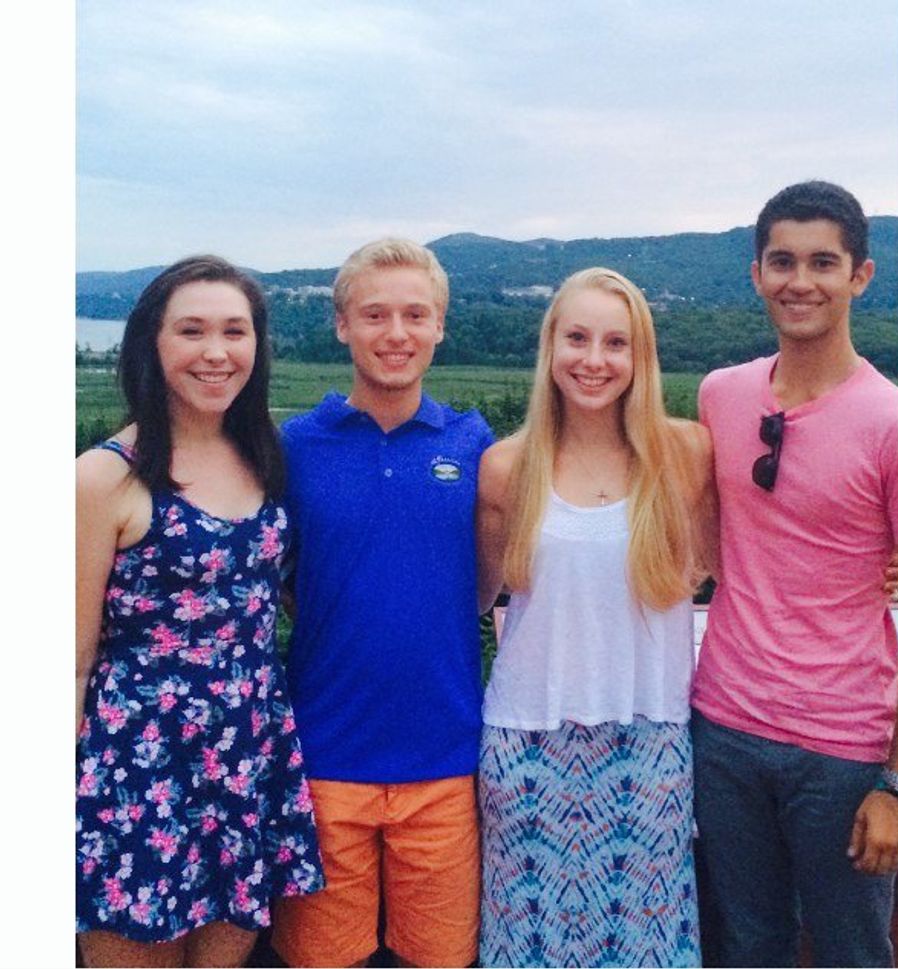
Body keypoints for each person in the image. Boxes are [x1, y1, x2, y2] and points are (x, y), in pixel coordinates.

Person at [75, 256, 325, 968]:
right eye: (191, 330)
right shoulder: (103, 477)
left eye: (234, 331)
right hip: (139, 768)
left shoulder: (266, 458)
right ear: (150, 343)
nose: (216, 352)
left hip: (248, 757)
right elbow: (68, 659)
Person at [691, 181, 898, 968]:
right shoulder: (721, 394)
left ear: (860, 276)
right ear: (756, 274)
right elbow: (702, 531)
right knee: (749, 945)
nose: (800, 281)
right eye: (782, 261)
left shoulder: (895, 422)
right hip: (724, 724)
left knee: (852, 949)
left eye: (823, 262)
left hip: (843, 746)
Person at [476, 267, 714, 968]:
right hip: (528, 740)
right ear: (550, 347)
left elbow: (736, 564)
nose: (594, 360)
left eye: (616, 342)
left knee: (647, 945)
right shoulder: (505, 467)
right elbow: (476, 596)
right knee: (530, 946)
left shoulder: (686, 454)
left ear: (641, 356)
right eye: (577, 338)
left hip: (651, 736)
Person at [270, 238, 494, 968]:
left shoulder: (476, 445)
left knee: (440, 957)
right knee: (321, 958)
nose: (396, 333)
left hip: (445, 757)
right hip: (324, 756)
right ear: (342, 325)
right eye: (374, 314)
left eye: (415, 315)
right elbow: (278, 577)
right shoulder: (295, 448)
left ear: (440, 326)